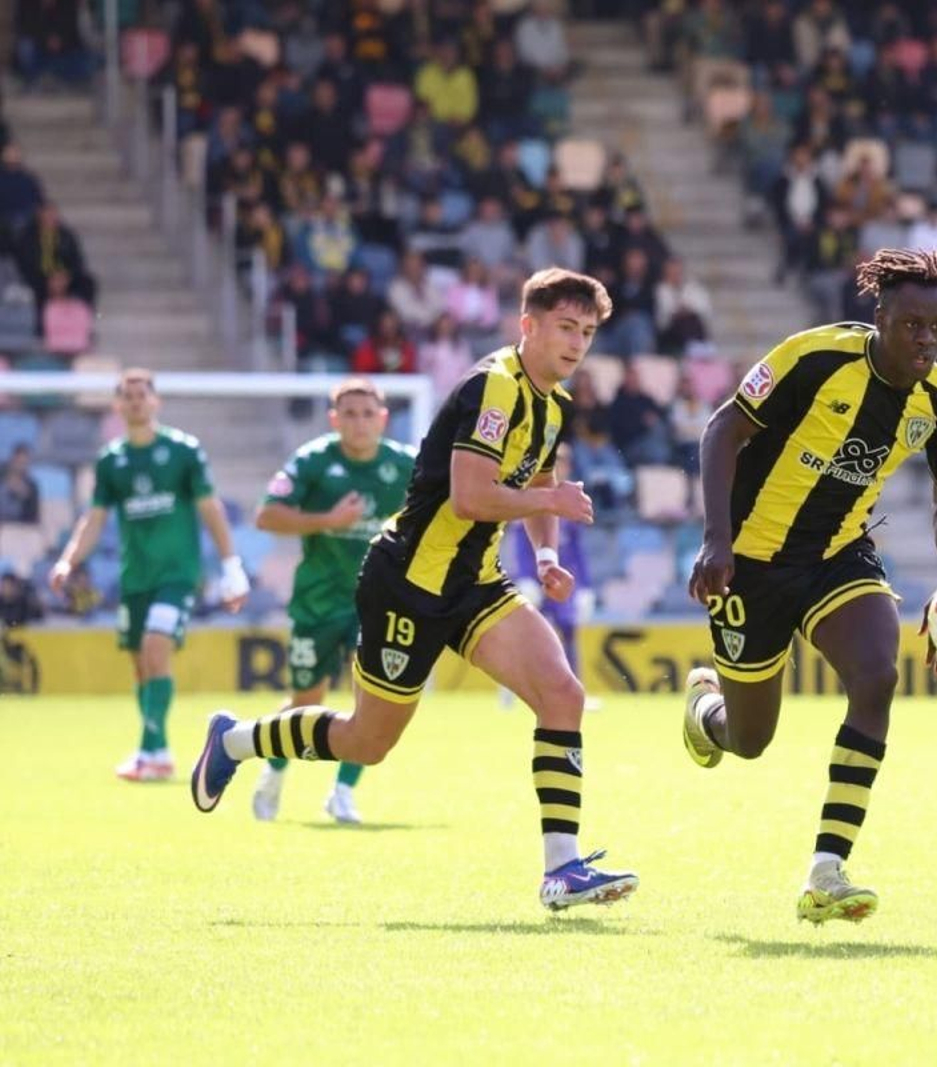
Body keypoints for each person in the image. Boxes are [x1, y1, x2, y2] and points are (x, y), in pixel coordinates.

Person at [190, 269, 637, 912]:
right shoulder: (495, 387)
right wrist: (551, 500)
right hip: (408, 584)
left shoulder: (555, 404)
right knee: (365, 742)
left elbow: (536, 476)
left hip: (477, 583)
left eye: (588, 332)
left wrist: (544, 551)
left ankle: (562, 868)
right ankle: (235, 740)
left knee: (563, 693)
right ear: (528, 325)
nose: (576, 343)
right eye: (565, 327)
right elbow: (471, 495)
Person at [682, 249, 937, 924]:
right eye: (911, 325)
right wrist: (716, 538)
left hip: (838, 556)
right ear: (881, 318)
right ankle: (707, 712)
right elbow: (723, 427)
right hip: (748, 564)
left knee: (877, 675)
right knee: (750, 740)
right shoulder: (815, 358)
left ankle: (827, 868)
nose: (925, 340)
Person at [49, 369, 251, 781]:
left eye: (143, 394)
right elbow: (95, 517)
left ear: (156, 402)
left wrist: (232, 566)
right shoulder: (112, 460)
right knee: (142, 664)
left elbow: (209, 508)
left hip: (177, 575)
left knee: (156, 648)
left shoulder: (183, 451)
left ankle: (151, 751)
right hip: (135, 578)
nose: (136, 401)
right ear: (118, 406)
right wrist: (68, 560)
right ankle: (158, 752)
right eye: (128, 395)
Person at [250, 378, 417, 826]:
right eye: (350, 414)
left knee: (373, 703)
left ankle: (342, 792)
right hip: (318, 601)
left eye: (368, 414)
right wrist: (329, 519)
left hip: (377, 603)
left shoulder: (406, 465)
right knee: (308, 696)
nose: (359, 423)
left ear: (382, 418)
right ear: (334, 419)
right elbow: (266, 515)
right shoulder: (312, 461)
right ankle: (274, 768)